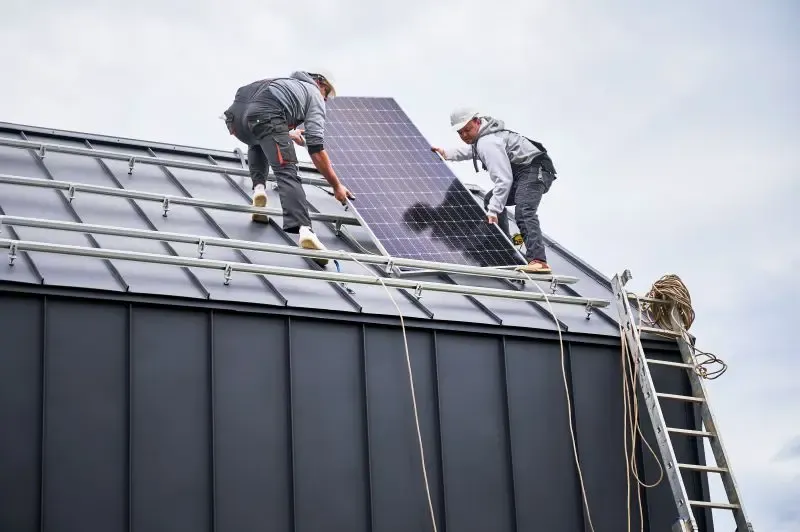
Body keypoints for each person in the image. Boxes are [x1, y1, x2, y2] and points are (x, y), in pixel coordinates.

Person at [222, 71, 354, 264]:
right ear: (320, 84)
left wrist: (285, 133)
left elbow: (258, 114)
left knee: (258, 138)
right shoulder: (314, 94)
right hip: (265, 116)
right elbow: (316, 149)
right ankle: (305, 231)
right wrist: (336, 186)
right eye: (326, 95)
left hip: (237, 118)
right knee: (287, 172)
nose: (325, 101)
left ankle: (259, 190)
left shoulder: (284, 83)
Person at [431, 108, 557, 274]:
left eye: (467, 130)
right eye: (460, 133)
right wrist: (446, 153)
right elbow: (470, 152)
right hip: (524, 173)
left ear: (477, 121)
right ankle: (503, 244)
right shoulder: (483, 139)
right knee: (491, 198)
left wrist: (493, 211)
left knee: (524, 209)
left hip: (535, 171)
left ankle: (538, 260)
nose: (465, 136)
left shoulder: (487, 142)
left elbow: (504, 180)